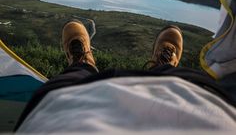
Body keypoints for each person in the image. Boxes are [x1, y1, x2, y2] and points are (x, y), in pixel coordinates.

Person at [16, 21, 236, 133]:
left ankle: (82, 64)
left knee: (66, 85)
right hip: (211, 121)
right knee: (186, 82)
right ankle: (165, 69)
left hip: (60, 123)